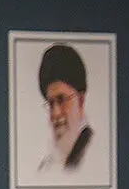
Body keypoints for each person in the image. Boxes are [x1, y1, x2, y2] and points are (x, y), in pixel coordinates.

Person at [36, 43, 92, 174]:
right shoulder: (47, 166)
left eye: (62, 100)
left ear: (80, 101)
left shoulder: (93, 154)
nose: (56, 113)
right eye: (51, 103)